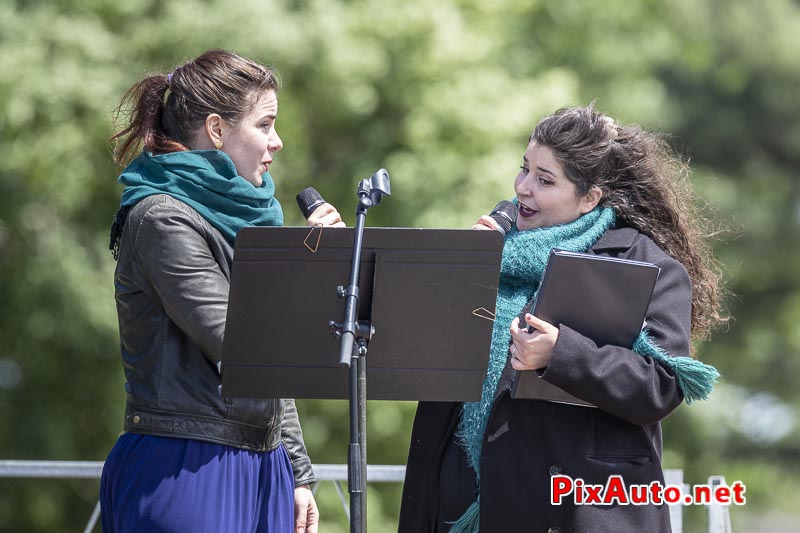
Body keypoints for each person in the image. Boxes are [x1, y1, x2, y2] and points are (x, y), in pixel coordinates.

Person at [398, 104, 727, 533]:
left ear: (590, 196)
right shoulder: (492, 246)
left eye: (544, 180)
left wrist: (561, 353)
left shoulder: (647, 265)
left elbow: (661, 386)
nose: (522, 188)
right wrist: (465, 268)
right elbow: (424, 358)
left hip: (575, 507)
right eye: (524, 170)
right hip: (465, 503)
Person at [100, 49, 344, 533]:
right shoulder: (162, 218)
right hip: (185, 464)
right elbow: (243, 344)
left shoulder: (247, 218)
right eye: (265, 124)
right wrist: (309, 271)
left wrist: (296, 471)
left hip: (263, 462)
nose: (278, 142)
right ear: (216, 130)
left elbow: (271, 372)